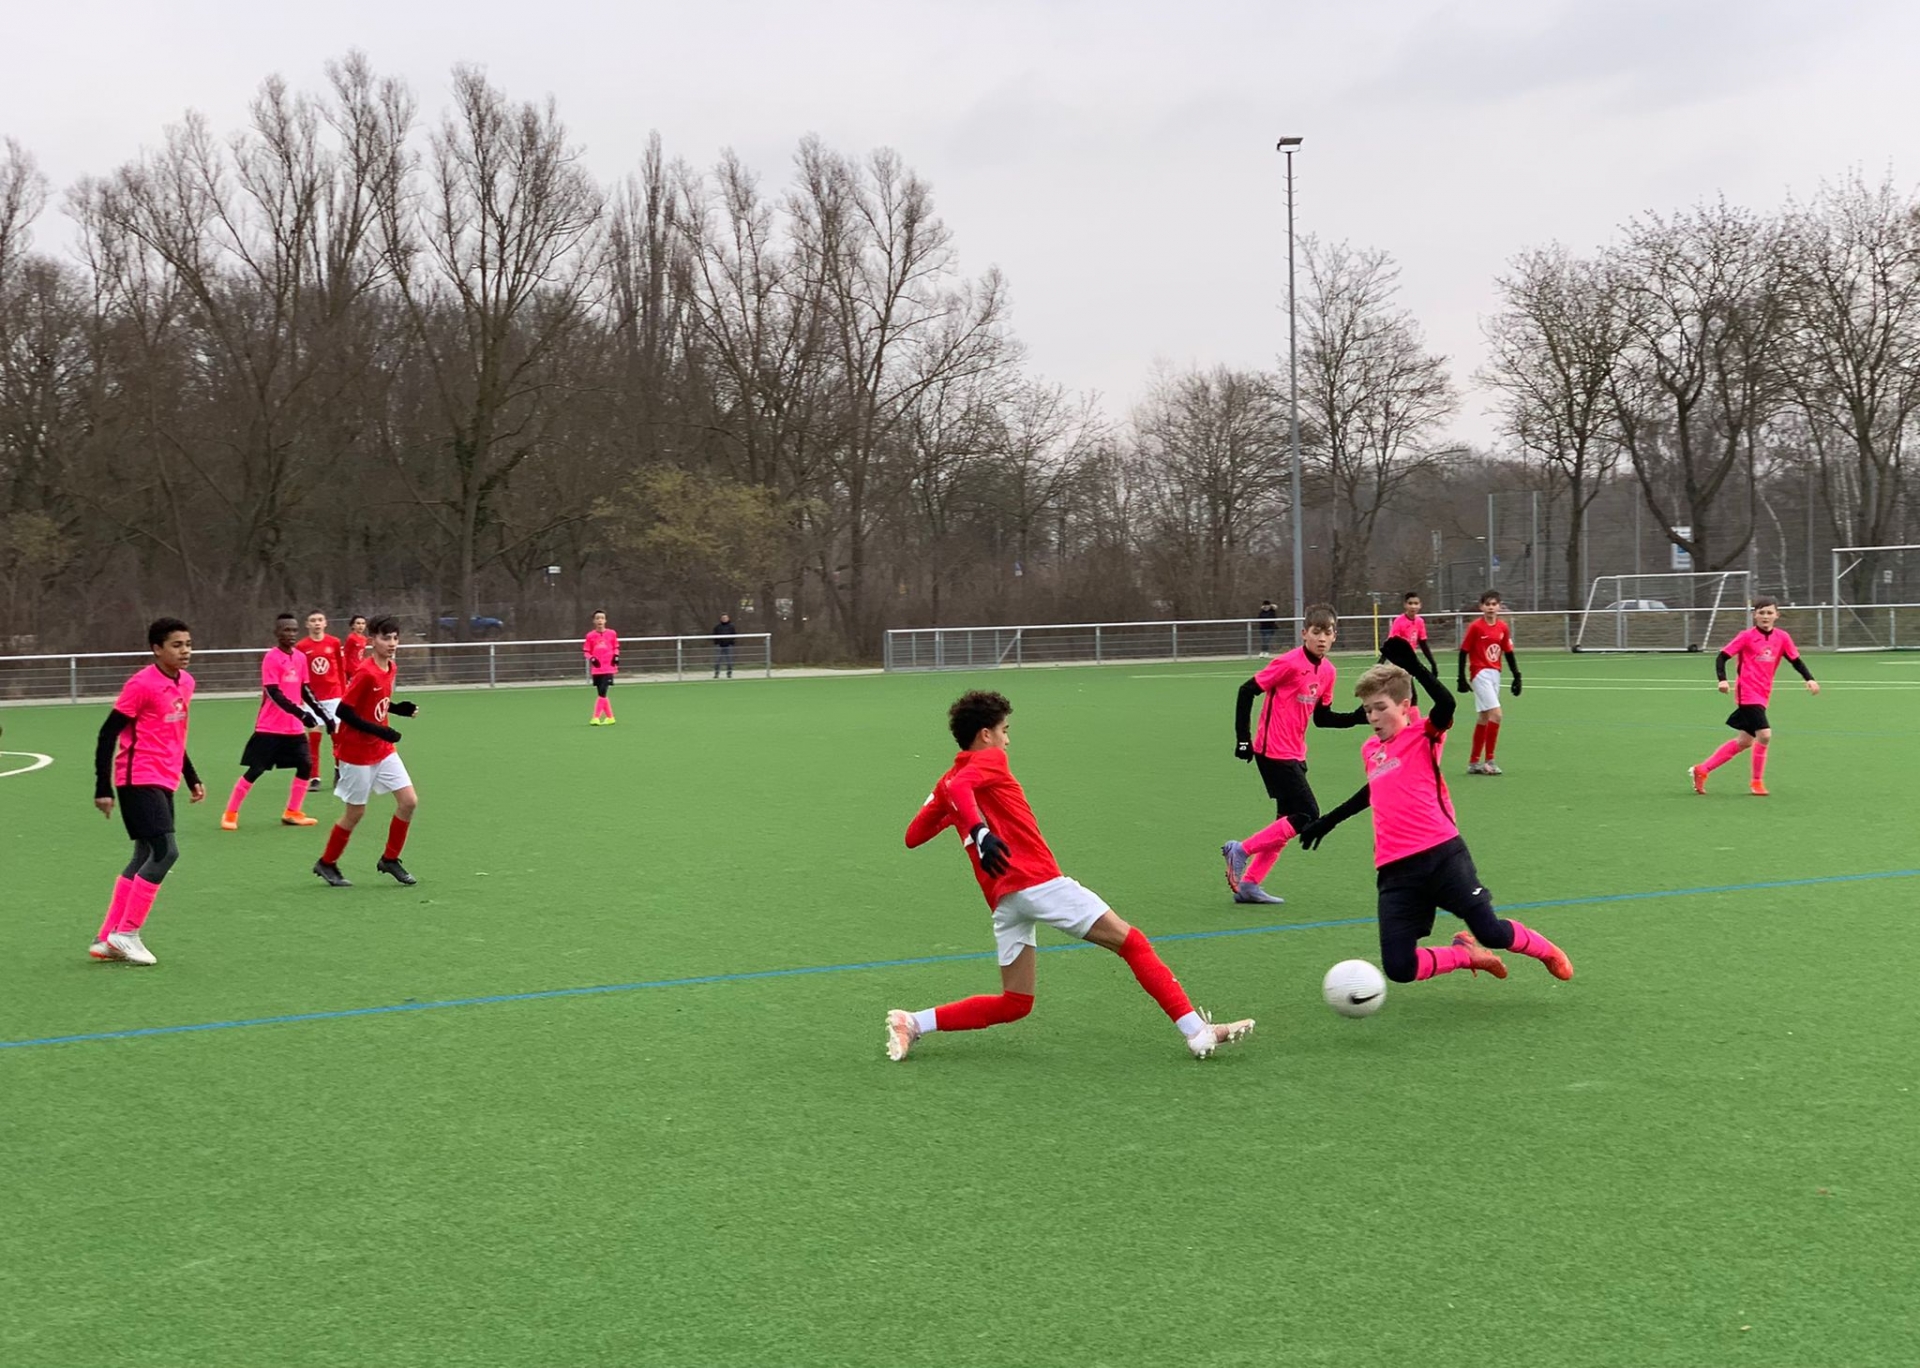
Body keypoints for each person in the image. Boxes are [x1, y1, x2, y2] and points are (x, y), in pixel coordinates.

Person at [887, 690, 1255, 1062]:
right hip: (1037, 882)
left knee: (1016, 1002)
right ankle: (1197, 1032)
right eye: (1004, 730)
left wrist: (955, 813)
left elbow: (913, 835)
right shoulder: (991, 759)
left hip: (1004, 901)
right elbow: (961, 790)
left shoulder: (948, 782)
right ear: (986, 734)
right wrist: (980, 830)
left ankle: (913, 1022)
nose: (1007, 740)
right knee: (1132, 943)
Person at [1290, 636, 1574, 988]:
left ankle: (1545, 950)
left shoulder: (1424, 735)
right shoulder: (1370, 749)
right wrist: (1328, 822)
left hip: (1442, 856)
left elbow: (1446, 702)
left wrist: (1414, 666)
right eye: (1367, 710)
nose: (1372, 716)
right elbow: (1374, 790)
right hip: (1395, 869)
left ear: (1403, 705)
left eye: (1379, 707)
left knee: (1491, 931)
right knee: (1399, 968)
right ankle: (1464, 955)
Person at [1219, 604, 1366, 905]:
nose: (1321, 638)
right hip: (1272, 750)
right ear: (1304, 633)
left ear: (1335, 636)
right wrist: (1243, 740)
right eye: (1316, 631)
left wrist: (1355, 718)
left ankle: (1250, 885)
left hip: (1296, 751)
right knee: (1308, 814)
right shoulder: (1288, 662)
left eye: (1327, 632)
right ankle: (1240, 850)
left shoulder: (1328, 671)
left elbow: (1321, 718)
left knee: (1284, 822)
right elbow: (1246, 691)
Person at [89, 617, 206, 965]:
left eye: (188, 644)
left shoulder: (186, 682)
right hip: (137, 777)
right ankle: (127, 933)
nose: (185, 651)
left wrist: (191, 776)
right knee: (166, 852)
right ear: (157, 649)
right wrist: (102, 786)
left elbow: (175, 735)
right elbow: (107, 733)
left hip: (165, 778)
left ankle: (106, 938)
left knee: (144, 855)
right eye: (176, 645)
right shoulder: (141, 684)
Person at [314, 616, 421, 887]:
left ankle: (390, 859)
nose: (392, 643)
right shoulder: (365, 672)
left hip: (382, 749)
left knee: (409, 801)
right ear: (372, 641)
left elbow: (376, 702)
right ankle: (327, 863)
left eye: (395, 638)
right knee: (355, 813)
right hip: (357, 753)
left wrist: (398, 709)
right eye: (386, 638)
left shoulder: (391, 667)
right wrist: (380, 730)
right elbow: (344, 711)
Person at [1689, 597, 1818, 797]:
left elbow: (1796, 661)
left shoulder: (1782, 637)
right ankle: (1757, 782)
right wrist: (1722, 680)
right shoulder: (1746, 636)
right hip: (1747, 692)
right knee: (1764, 735)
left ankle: (1702, 769)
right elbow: (1722, 657)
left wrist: (1809, 679)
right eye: (1761, 613)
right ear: (1754, 615)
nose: (1765, 616)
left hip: (1763, 693)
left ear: (1777, 615)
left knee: (1745, 741)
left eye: (1769, 612)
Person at [222, 613, 330, 830]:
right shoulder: (271, 658)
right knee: (256, 770)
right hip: (270, 727)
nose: (291, 634)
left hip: (294, 728)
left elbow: (305, 690)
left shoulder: (300, 658)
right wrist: (301, 714)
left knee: (306, 765)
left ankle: (292, 812)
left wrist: (324, 715)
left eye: (294, 630)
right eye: (286, 630)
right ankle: (230, 813)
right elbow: (274, 693)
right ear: (277, 633)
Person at [1457, 590, 1522, 775]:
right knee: (1497, 715)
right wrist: (1461, 677)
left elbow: (1508, 652)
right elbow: (1464, 651)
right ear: (1481, 607)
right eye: (1487, 604)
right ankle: (1490, 761)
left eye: (1494, 604)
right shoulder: (1476, 627)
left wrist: (1517, 675)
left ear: (1499, 606)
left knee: (1484, 717)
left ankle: (1473, 762)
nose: (1491, 608)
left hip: (1495, 674)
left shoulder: (1502, 627)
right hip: (1480, 673)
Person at [295, 610, 346, 791]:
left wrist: (344, 693)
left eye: (320, 620)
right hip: (312, 699)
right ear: (307, 624)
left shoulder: (334, 642)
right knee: (314, 739)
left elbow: (341, 668)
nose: (317, 623)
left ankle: (339, 771)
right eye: (313, 620)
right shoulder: (301, 646)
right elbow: (299, 674)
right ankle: (314, 777)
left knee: (337, 737)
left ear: (325, 623)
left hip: (334, 696)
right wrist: (300, 698)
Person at [1383, 591, 1439, 674]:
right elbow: (1391, 644)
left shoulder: (1420, 621)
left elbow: (1423, 644)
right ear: (1405, 605)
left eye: (1416, 603)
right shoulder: (1399, 621)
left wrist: (1433, 663)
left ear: (1420, 605)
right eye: (1410, 603)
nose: (1413, 606)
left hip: (1410, 659)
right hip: (1398, 661)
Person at [583, 610, 619, 725]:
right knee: (601, 693)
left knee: (603, 692)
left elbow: (616, 647)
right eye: (597, 618)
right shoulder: (590, 636)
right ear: (594, 621)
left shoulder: (612, 633)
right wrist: (592, 658)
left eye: (602, 618)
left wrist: (616, 656)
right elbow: (586, 651)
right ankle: (610, 717)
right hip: (597, 669)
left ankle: (595, 717)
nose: (600, 620)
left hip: (608, 667)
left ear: (605, 620)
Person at [712, 612, 737, 678]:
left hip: (728, 645)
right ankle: (716, 673)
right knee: (717, 661)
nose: (724, 619)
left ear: (728, 618)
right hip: (719, 646)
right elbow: (714, 635)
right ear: (721, 619)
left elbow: (734, 635)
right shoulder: (717, 627)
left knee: (729, 661)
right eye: (723, 618)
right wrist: (717, 643)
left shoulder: (731, 626)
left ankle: (729, 673)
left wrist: (730, 642)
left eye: (725, 618)